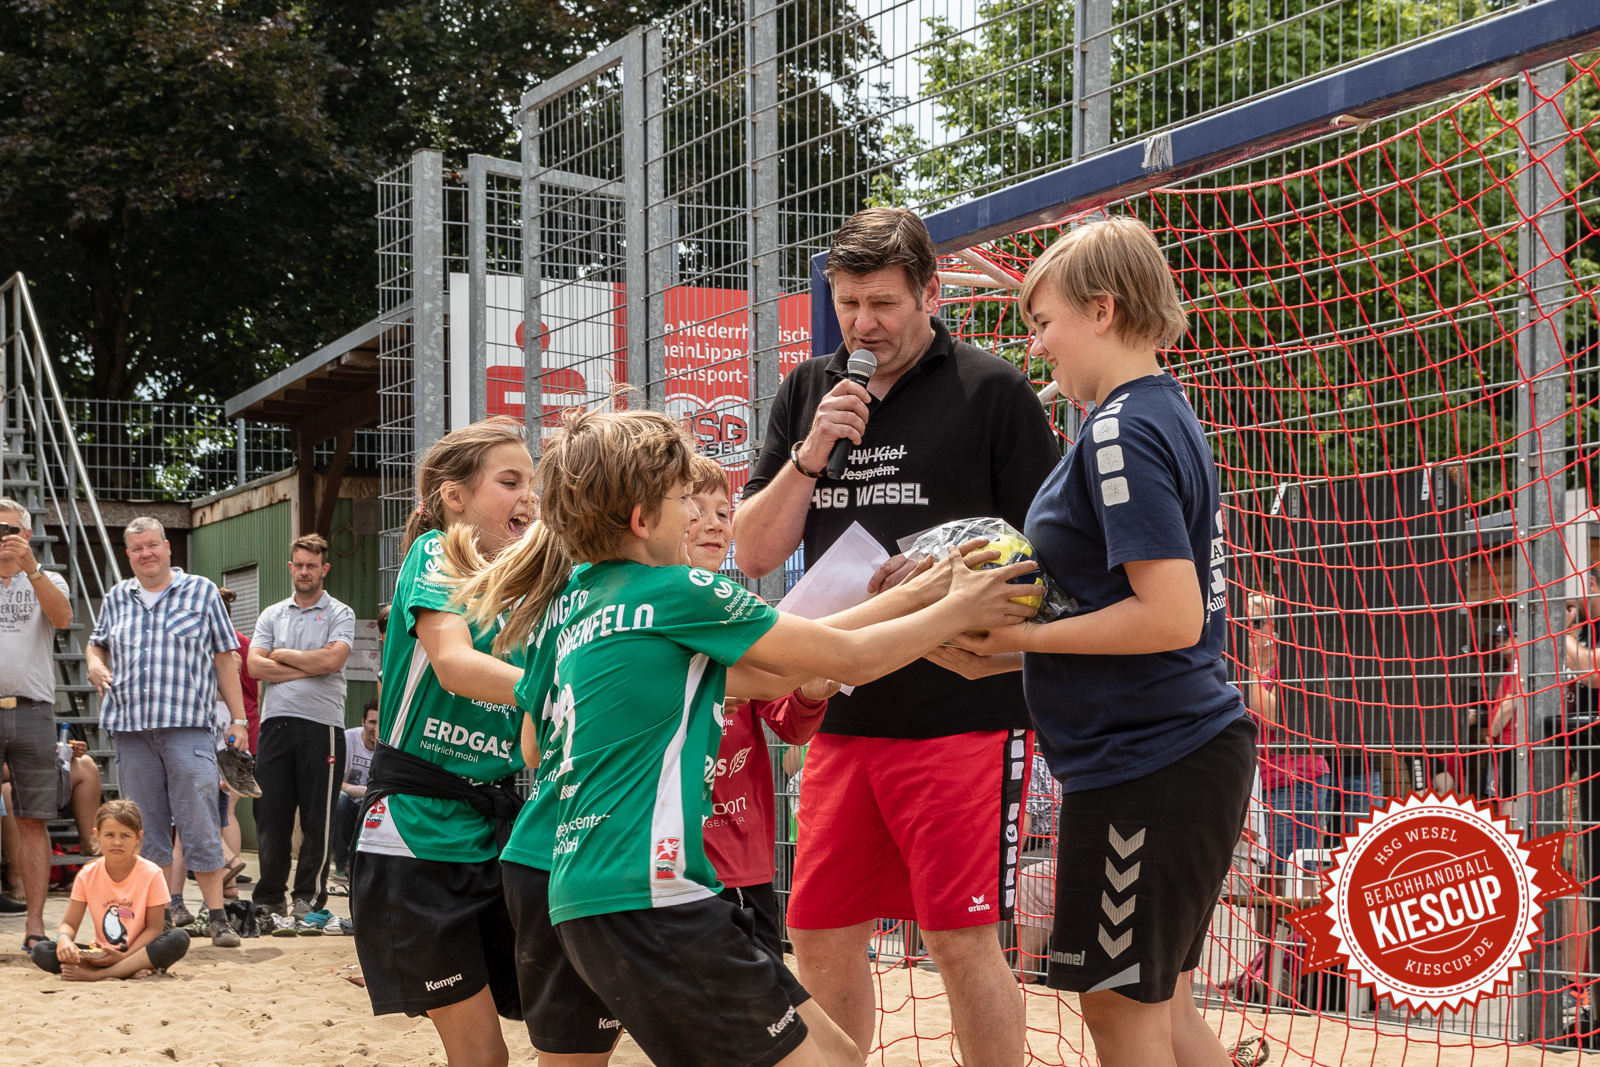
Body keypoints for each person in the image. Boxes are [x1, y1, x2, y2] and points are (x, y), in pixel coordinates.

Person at [455, 407, 1038, 1067]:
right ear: (644, 520)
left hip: (587, 889)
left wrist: (920, 593)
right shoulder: (678, 590)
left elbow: (781, 669)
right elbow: (849, 659)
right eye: (686, 502)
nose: (703, 520)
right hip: (653, 893)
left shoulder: (571, 602)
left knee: (841, 1054)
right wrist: (959, 605)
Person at [733, 206, 1060, 1064]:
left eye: (882, 303)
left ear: (931, 293)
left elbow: (1051, 557)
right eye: (847, 304)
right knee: (818, 927)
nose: (863, 324)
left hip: (967, 710)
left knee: (959, 938)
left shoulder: (993, 391)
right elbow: (754, 549)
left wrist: (952, 570)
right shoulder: (811, 390)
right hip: (839, 708)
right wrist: (811, 454)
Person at [927, 216, 1256, 1067]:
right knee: (1164, 1008)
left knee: (1119, 1011)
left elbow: (1171, 616)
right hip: (1172, 750)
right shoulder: (1156, 411)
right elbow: (1144, 618)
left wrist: (1027, 631)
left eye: (1044, 323)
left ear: (1102, 310)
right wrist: (1007, 650)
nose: (1038, 348)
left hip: (1150, 759)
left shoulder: (1117, 431)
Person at [350, 416, 534, 1067]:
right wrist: (560, 684)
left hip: (495, 831)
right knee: (483, 1056)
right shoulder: (437, 553)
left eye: (533, 481)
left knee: (582, 1012)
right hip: (416, 832)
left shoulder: (529, 585)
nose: (529, 496)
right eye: (509, 480)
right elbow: (453, 663)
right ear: (454, 496)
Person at [684, 454, 838, 958]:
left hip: (741, 860)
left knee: (762, 1004)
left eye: (723, 513)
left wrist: (812, 691)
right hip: (665, 858)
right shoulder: (644, 609)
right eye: (693, 508)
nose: (711, 523)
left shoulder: (743, 613)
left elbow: (790, 725)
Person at [86, 516, 246, 948]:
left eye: (153, 545)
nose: (146, 554)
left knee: (199, 821)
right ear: (128, 554)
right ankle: (160, 915)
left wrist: (239, 719)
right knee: (144, 827)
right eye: (137, 548)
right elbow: (96, 641)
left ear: (167, 547)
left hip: (188, 727)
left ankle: (217, 917)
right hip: (130, 729)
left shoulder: (201, 591)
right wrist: (95, 662)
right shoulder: (118, 596)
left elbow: (224, 658)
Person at [247, 533, 356, 918]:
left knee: (317, 819)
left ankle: (307, 897)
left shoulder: (341, 613)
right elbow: (254, 666)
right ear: (290, 567)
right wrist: (309, 663)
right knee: (270, 815)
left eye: (313, 565)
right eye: (300, 565)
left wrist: (284, 659)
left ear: (324, 569)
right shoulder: (272, 614)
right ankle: (268, 898)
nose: (305, 571)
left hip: (322, 727)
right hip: (275, 726)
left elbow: (333, 662)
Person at [0, 495, 74, 951]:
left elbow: (63, 618)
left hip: (33, 710)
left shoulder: (50, 577)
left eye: (9, 530)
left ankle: (34, 926)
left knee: (33, 820)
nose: (3, 539)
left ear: (26, 534)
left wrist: (29, 569)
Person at [31, 799, 191, 980]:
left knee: (179, 938)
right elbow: (69, 923)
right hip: (100, 953)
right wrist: (64, 939)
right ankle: (126, 971)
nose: (117, 842)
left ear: (138, 837)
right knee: (41, 950)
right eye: (109, 835)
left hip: (138, 952)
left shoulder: (152, 873)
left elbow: (154, 929)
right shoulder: (87, 874)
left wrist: (126, 955)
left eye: (125, 835)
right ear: (97, 835)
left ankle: (99, 974)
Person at [1239, 591, 1326, 883]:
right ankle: (1267, 932)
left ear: (1277, 628)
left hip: (1293, 781)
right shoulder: (1244, 668)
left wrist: (1243, 666)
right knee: (1264, 879)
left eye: (1259, 620)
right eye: (1244, 620)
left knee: (1289, 875)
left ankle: (1298, 931)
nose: (1248, 627)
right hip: (1254, 786)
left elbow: (1274, 718)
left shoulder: (1293, 665)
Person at [331, 697, 379, 880]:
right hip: (351, 801)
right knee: (340, 800)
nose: (375, 728)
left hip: (374, 806)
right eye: (371, 722)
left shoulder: (390, 745)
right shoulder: (347, 739)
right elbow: (336, 782)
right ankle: (341, 865)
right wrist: (357, 790)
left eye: (379, 723)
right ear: (363, 722)